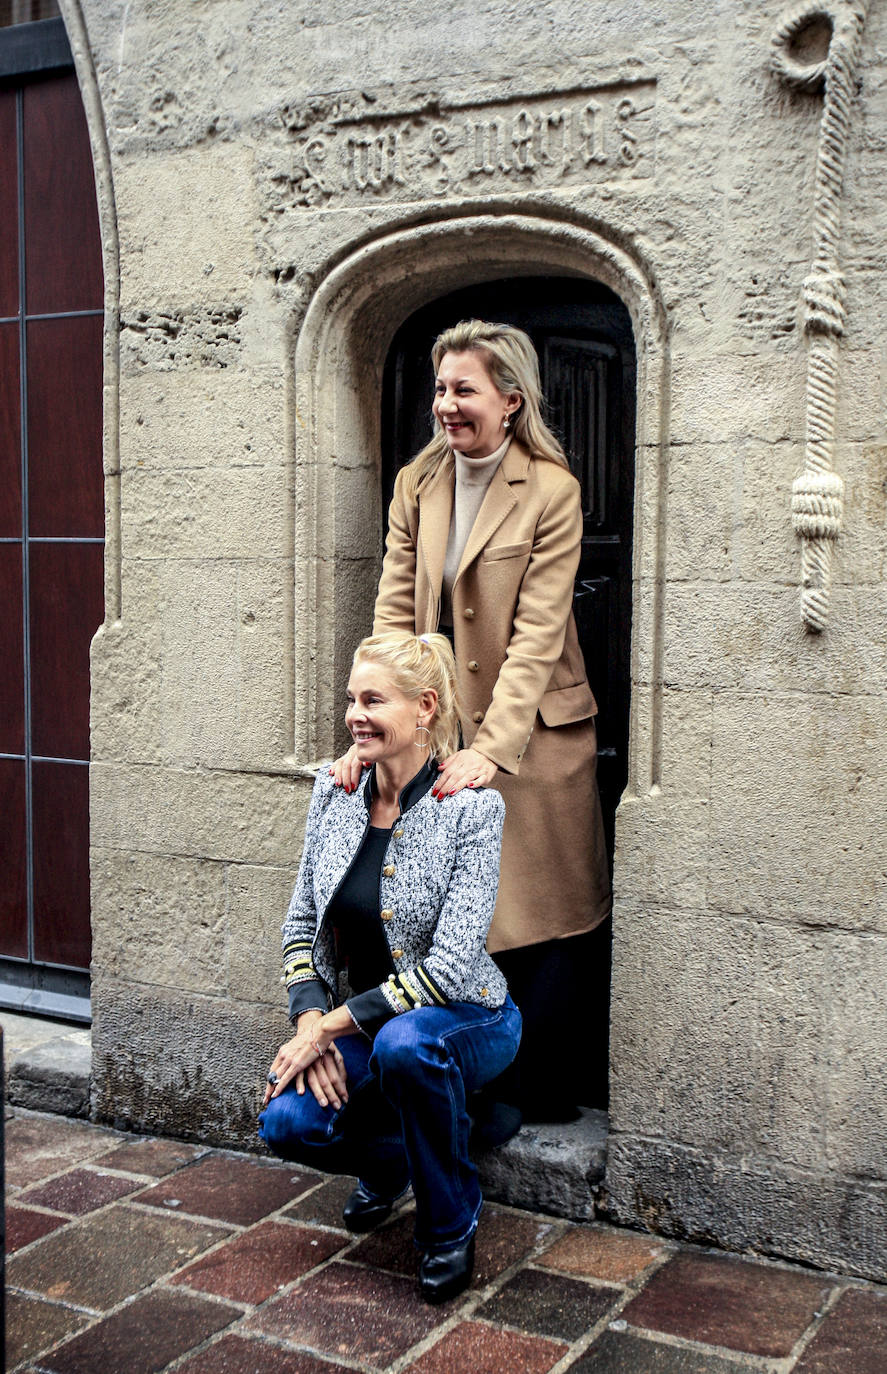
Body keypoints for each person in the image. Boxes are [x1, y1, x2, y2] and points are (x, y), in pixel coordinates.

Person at [334, 319, 611, 1123]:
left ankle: (542, 1091)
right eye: (439, 389)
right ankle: (466, 1093)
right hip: (440, 724)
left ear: (510, 401)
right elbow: (391, 613)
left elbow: (537, 632)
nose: (444, 407)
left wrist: (492, 748)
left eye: (462, 390)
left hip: (536, 733)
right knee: (455, 913)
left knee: (544, 911)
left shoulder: (551, 489)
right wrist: (379, 721)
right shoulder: (416, 485)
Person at [259, 630, 521, 1304]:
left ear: (424, 707)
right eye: (351, 699)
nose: (354, 714)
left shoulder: (470, 809)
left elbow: (447, 966)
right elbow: (299, 929)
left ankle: (448, 1222)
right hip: (364, 1023)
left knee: (406, 1046)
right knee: (285, 1124)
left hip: (468, 1015)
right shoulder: (335, 791)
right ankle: (420, 1149)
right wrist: (311, 1019)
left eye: (372, 700)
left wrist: (330, 1029)